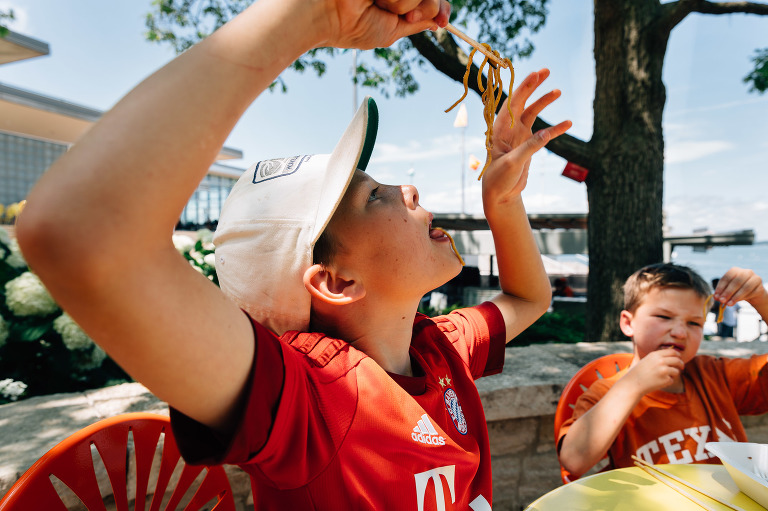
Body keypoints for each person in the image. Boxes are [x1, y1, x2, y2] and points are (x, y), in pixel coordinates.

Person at [14, 0, 572, 508]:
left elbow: (529, 297)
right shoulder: (307, 397)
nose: (410, 191)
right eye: (375, 196)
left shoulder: (434, 348)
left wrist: (503, 200)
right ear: (335, 281)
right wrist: (315, 13)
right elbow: (82, 230)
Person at [557, 263, 768, 480]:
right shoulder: (606, 392)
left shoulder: (714, 375)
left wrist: (761, 300)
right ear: (628, 323)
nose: (679, 332)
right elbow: (574, 462)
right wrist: (633, 385)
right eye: (664, 317)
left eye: (694, 323)